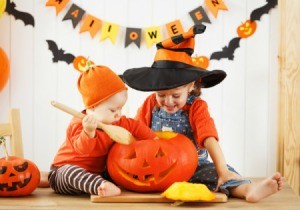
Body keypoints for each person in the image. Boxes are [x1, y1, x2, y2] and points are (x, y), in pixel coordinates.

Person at [122, 24, 283, 202]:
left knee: (221, 178)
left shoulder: (197, 107)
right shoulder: (150, 104)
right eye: (161, 95)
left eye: (176, 95)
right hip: (157, 166)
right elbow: (136, 132)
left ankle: (248, 190)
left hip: (192, 165)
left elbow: (209, 138)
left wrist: (222, 170)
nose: (168, 102)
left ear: (191, 86)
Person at [48, 64, 157, 197]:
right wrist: (88, 132)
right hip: (64, 172)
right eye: (113, 110)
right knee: (70, 173)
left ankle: (102, 183)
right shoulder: (78, 124)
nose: (118, 114)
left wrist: (155, 140)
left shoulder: (118, 122)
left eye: (120, 108)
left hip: (97, 173)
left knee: (117, 170)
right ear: (92, 107)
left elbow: (135, 126)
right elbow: (84, 150)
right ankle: (100, 186)